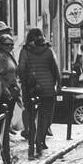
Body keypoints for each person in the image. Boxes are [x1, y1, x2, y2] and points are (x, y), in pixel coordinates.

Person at [18, 28, 60, 156]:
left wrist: (25, 85)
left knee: (31, 115)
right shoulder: (48, 50)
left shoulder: (25, 51)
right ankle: (40, 139)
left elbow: (21, 68)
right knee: (46, 114)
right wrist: (58, 83)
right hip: (48, 88)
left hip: (32, 89)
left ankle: (33, 140)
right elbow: (55, 68)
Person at [0, 23, 20, 164]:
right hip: (5, 95)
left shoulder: (8, 55)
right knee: (2, 126)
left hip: (11, 94)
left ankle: (5, 156)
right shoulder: (1, 57)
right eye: (7, 45)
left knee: (5, 126)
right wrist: (5, 89)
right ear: (2, 45)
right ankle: (3, 157)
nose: (10, 47)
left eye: (11, 45)